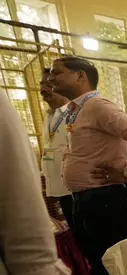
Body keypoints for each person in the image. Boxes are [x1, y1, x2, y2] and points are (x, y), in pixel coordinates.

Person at [50, 56, 127, 275]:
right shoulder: (76, 109)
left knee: (122, 253)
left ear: (80, 76)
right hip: (91, 197)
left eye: (58, 72)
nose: (51, 78)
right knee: (106, 253)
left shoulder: (97, 105)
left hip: (106, 197)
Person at [0, 89, 83, 275]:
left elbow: (26, 236)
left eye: (55, 77)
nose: (48, 85)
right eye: (46, 79)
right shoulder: (52, 116)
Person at [39, 68, 73, 227]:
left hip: (74, 189)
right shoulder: (48, 115)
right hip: (59, 189)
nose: (43, 89)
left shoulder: (73, 113)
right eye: (41, 84)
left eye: (49, 84)